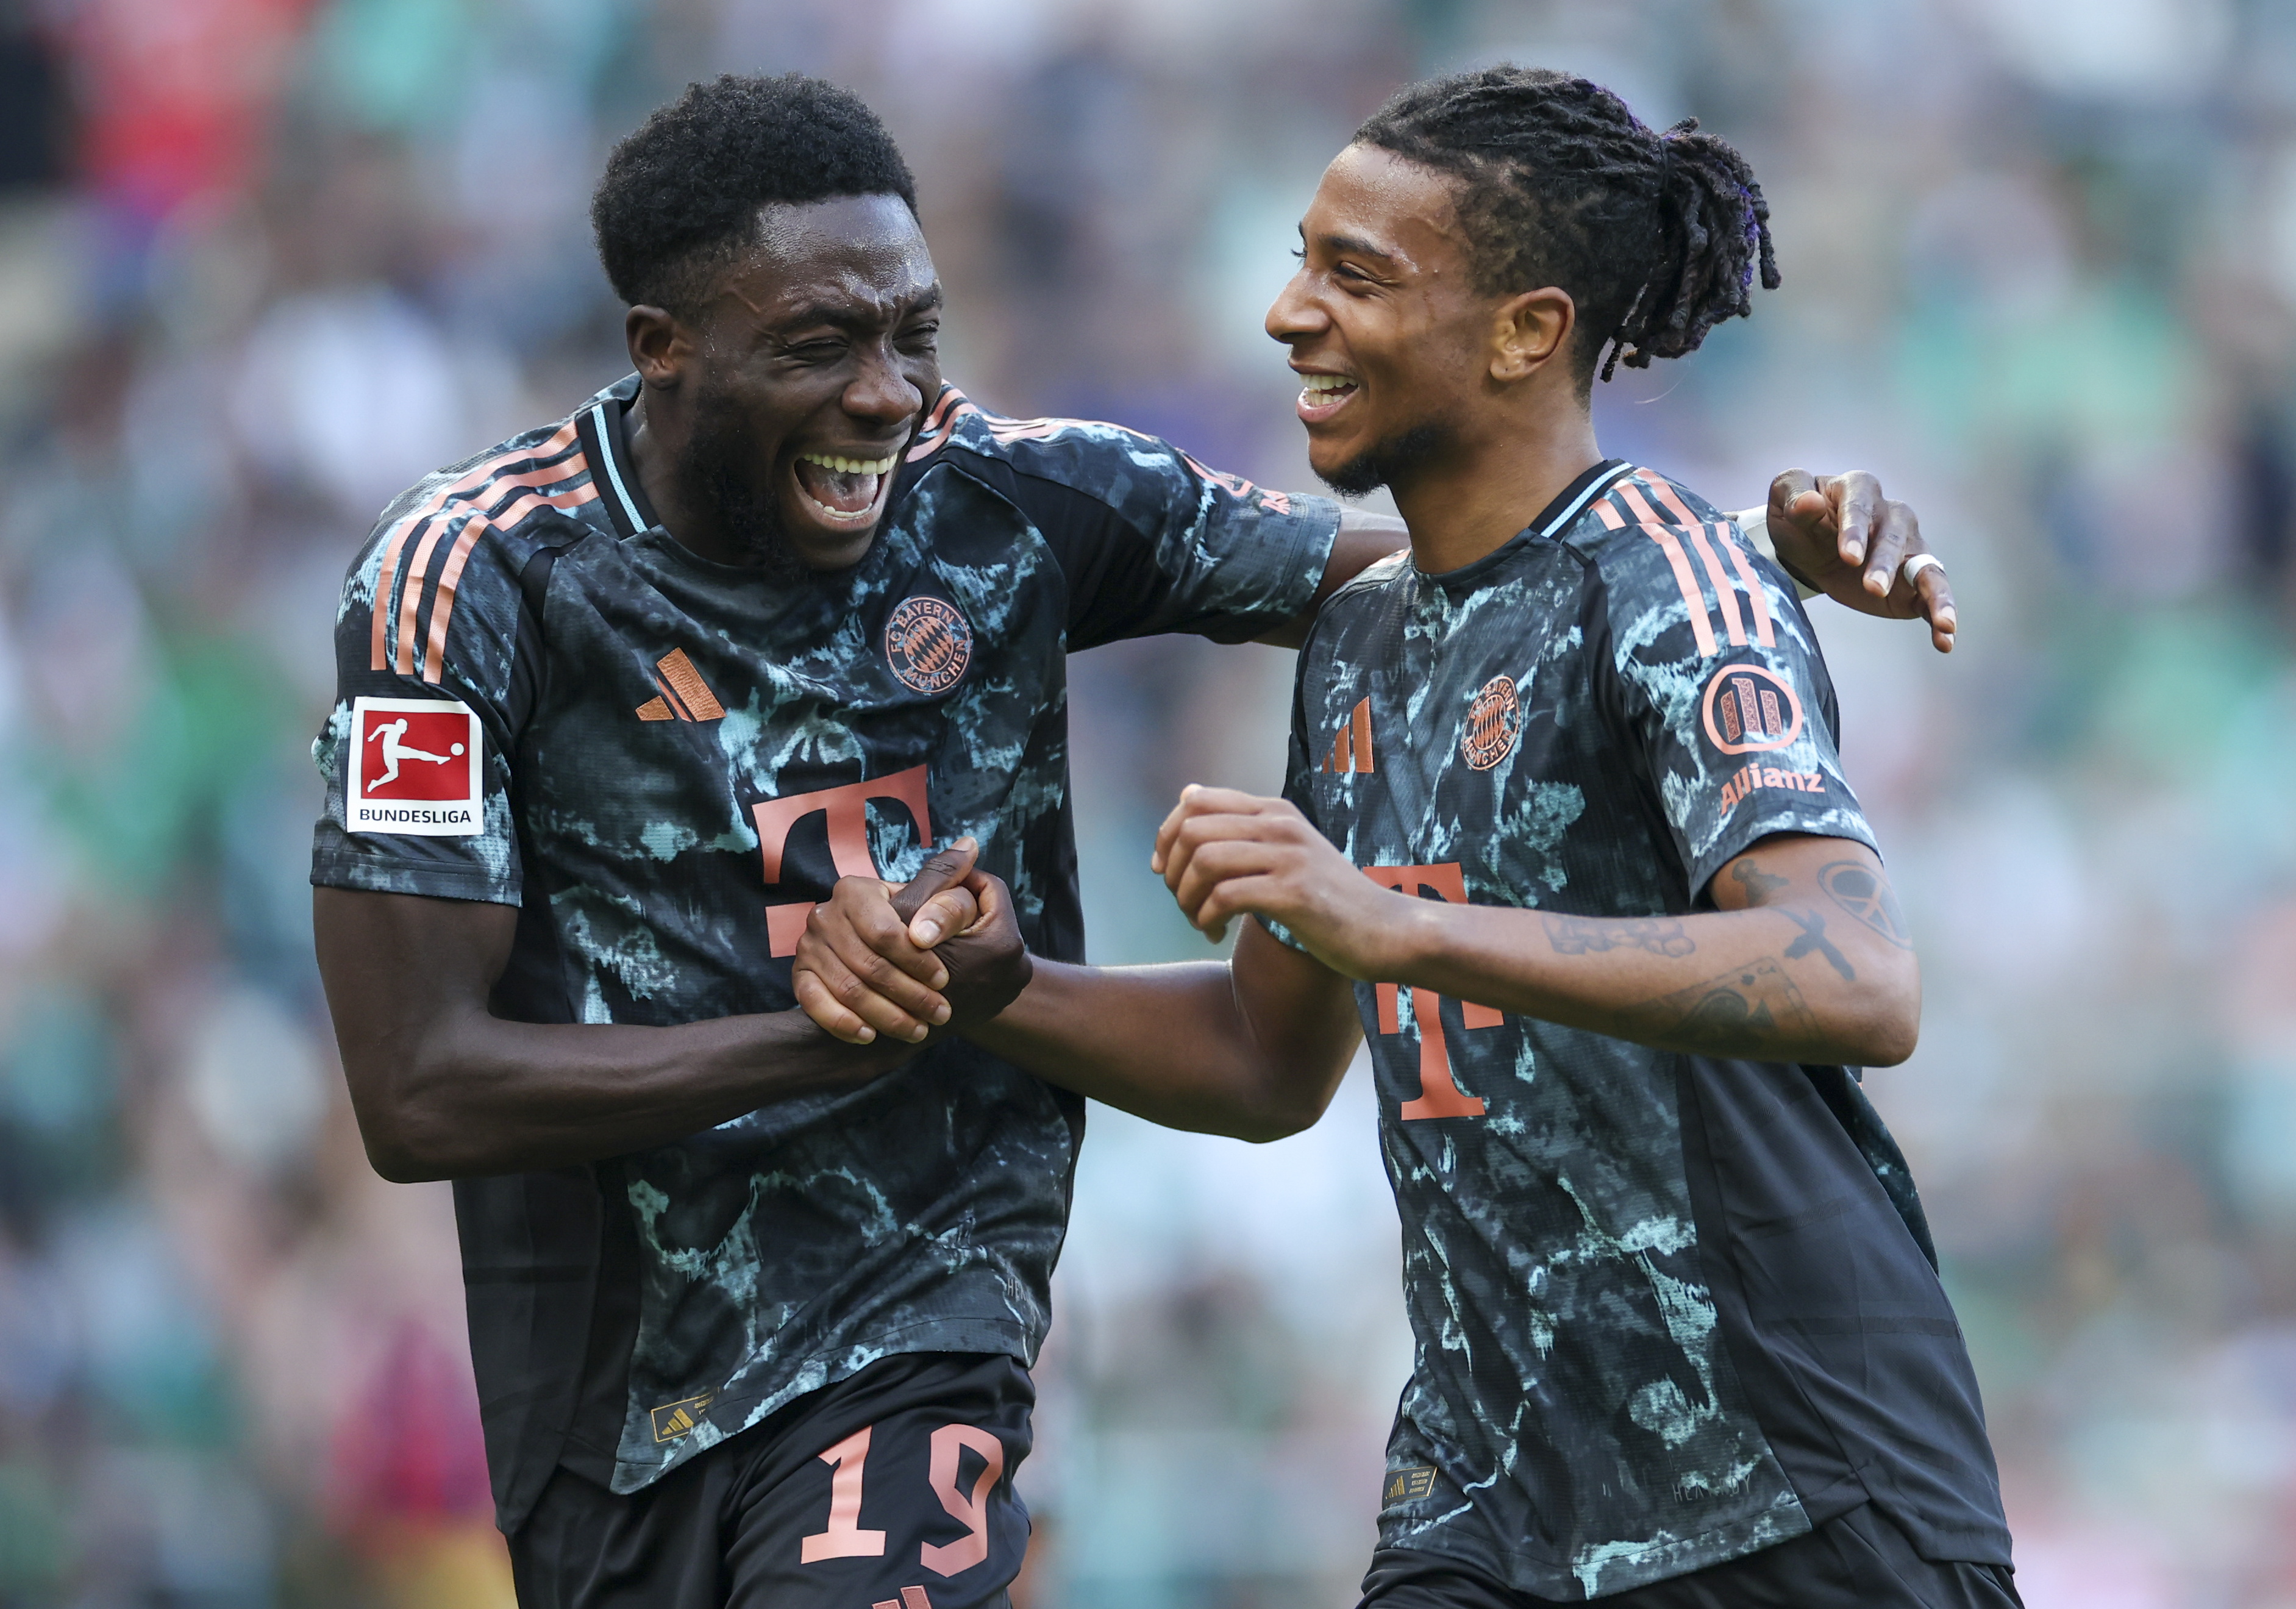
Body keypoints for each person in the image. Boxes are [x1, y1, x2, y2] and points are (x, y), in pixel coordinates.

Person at [311, 73, 1958, 1609]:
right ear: (660, 345)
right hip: (613, 1396)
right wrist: (896, 1016)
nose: (887, 397)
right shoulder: (474, 578)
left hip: (935, 1319)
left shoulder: (1014, 498)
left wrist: (1734, 554)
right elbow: (419, 1086)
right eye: (822, 343)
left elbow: (1537, 569)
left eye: (916, 336)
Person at [794, 68, 2015, 1609]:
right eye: (1302, 258)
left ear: (1528, 329)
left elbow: (1852, 973)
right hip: (1485, 1500)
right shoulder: (1361, 639)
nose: (1288, 312)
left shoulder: (1674, 584)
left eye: (1354, 275)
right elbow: (1263, 1058)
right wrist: (999, 992)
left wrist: (1392, 927)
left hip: (1788, 1481)